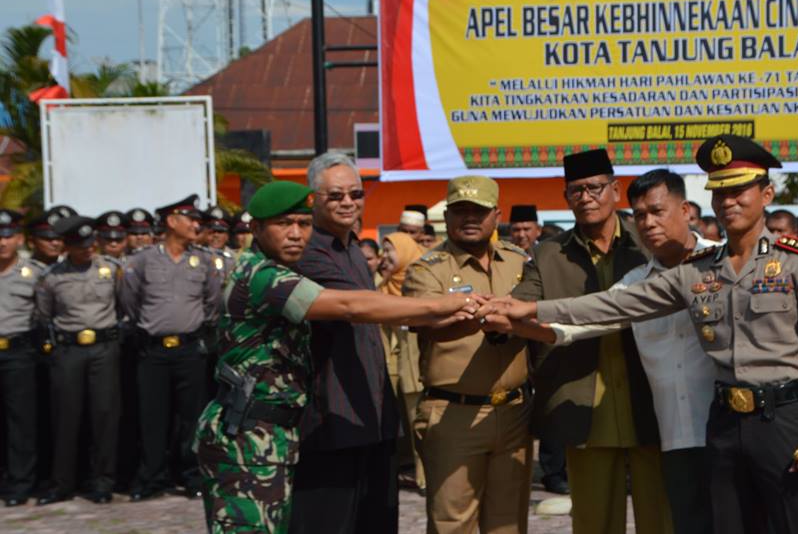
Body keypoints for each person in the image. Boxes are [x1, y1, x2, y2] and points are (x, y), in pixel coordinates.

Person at [487, 135, 798, 533]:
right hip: (723, 425)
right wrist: (530, 309)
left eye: (739, 191)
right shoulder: (699, 269)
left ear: (766, 193)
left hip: (784, 419)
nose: (729, 202)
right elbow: (610, 305)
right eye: (720, 192)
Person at [194, 181, 476, 533]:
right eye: (284, 224)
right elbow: (348, 304)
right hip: (247, 435)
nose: (296, 233)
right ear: (256, 229)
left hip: (272, 434)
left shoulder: (281, 268)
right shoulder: (262, 276)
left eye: (303, 222)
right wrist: (437, 305)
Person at [538, 169, 717, 534]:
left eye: (657, 211)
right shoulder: (636, 285)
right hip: (674, 437)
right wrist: (511, 314)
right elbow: (578, 323)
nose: (648, 223)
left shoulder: (726, 264)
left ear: (684, 210)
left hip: (729, 431)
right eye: (639, 215)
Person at [512, 148, 668, 534]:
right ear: (566, 198)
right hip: (583, 406)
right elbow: (521, 306)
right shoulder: (550, 253)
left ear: (616, 190)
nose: (586, 198)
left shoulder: (647, 242)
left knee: (662, 521)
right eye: (576, 191)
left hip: (653, 402)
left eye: (595, 188)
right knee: (593, 523)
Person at [403, 176, 533, 534]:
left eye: (479, 211)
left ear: (496, 215)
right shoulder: (428, 268)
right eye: (460, 210)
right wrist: (489, 317)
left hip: (513, 412)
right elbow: (426, 323)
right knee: (451, 525)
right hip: (452, 414)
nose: (469, 218)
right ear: (447, 216)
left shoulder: (520, 261)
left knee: (509, 525)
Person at [288, 152, 401, 534]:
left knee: (376, 521)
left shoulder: (354, 247)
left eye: (356, 193)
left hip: (373, 411)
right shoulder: (306, 253)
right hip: (330, 418)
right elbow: (357, 308)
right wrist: (440, 307)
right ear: (312, 200)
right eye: (335, 196)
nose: (348, 202)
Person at [119, 194, 221, 501]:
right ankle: (152, 477)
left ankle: (191, 477)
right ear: (171, 222)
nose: (196, 225)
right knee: (152, 417)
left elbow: (213, 302)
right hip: (153, 352)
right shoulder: (142, 261)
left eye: (197, 220)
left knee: (192, 418)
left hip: (190, 350)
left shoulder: (204, 261)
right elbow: (129, 301)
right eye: (189, 219)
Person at [35, 216, 123, 505]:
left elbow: (124, 305)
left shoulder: (111, 270)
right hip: (69, 349)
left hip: (103, 348)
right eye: (81, 245)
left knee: (104, 415)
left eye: (90, 244)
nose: (88, 250)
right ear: (67, 246)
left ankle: (102, 482)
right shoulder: (52, 277)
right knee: (65, 417)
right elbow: (45, 314)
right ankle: (62, 483)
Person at [378, 232, 427, 494]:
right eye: (383, 251)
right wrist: (382, 277)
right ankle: (405, 466)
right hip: (391, 363)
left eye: (390, 251)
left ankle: (425, 476)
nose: (384, 257)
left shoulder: (420, 276)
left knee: (419, 421)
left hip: (417, 363)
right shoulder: (385, 282)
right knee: (400, 423)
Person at [0, 210, 43, 507]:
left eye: (7, 236)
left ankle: (21, 484)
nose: (2, 242)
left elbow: (45, 312)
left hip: (18, 353)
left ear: (18, 239)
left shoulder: (36, 273)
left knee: (21, 423)